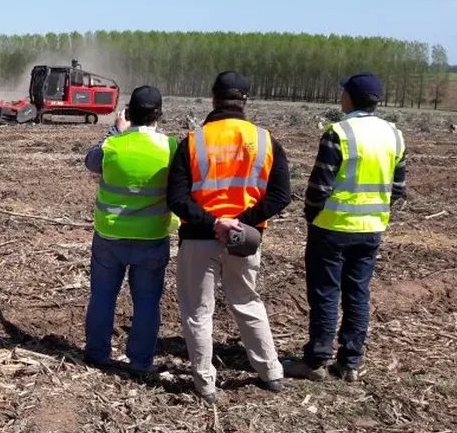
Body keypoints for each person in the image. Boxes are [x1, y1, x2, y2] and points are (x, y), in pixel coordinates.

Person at [166, 71, 291, 403]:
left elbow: (176, 198)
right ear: (245, 100)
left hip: (197, 239)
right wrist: (239, 223)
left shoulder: (193, 141)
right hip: (245, 240)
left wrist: (214, 222)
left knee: (198, 311)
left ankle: (205, 384)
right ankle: (271, 372)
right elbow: (281, 195)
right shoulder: (265, 141)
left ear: (213, 99)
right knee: (248, 302)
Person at [284, 73, 405, 383]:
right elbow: (398, 188)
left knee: (325, 293)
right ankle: (350, 362)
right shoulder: (394, 135)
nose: (341, 97)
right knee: (358, 294)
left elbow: (318, 187)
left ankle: (317, 360)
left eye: (343, 93)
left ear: (350, 98)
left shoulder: (338, 133)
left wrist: (312, 215)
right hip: (371, 229)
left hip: (332, 228)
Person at [82, 86, 176, 377]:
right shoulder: (171, 147)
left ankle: (97, 353)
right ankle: (140, 361)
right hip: (152, 237)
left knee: (102, 297)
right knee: (147, 302)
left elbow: (90, 161)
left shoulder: (113, 145)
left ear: (129, 113)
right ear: (159, 115)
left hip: (110, 237)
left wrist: (115, 130)